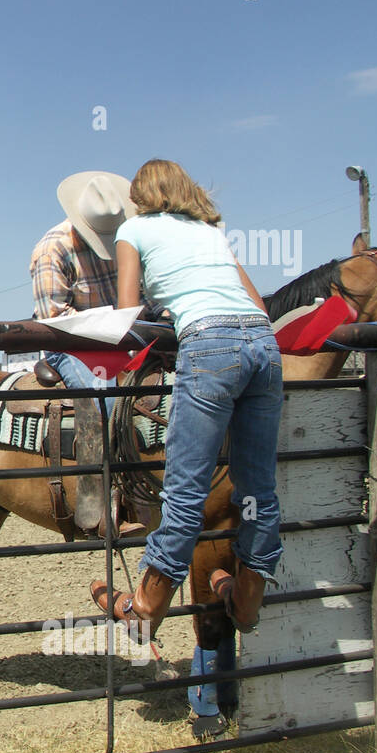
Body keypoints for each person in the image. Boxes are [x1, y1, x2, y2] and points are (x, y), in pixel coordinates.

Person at [92, 159, 283, 722]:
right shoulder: (209, 232)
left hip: (210, 345)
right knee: (257, 487)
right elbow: (261, 307)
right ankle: (247, 598)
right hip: (262, 348)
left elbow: (128, 313)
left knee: (186, 489)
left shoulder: (133, 231)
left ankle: (147, 604)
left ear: (140, 197)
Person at [31, 171, 145, 535]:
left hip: (122, 340)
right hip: (70, 345)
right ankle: (110, 502)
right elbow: (53, 318)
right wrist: (111, 324)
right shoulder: (53, 248)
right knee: (106, 401)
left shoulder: (124, 236)